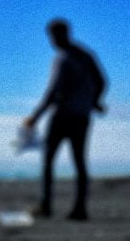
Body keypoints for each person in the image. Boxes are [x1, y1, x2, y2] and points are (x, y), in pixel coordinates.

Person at [23, 19, 107, 220]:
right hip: (82, 115)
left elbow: (53, 91)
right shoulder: (87, 56)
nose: (52, 41)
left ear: (58, 35)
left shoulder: (64, 58)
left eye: (52, 37)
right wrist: (93, 101)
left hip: (63, 115)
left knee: (49, 159)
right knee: (79, 162)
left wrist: (35, 116)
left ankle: (46, 205)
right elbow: (102, 81)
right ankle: (80, 208)